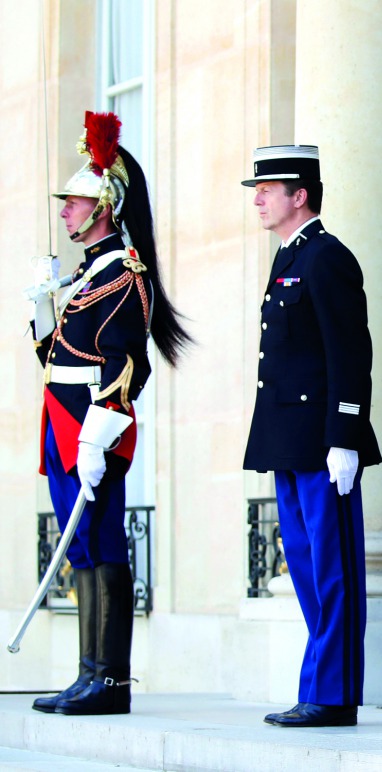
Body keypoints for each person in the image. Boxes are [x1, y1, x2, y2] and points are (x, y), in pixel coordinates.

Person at [28, 111, 191, 716]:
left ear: (103, 208)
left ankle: (111, 680)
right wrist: (45, 309)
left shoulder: (125, 275)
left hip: (93, 430)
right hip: (62, 424)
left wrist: (98, 436)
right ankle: (87, 672)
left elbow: (126, 366)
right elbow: (58, 358)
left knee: (102, 544)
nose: (65, 212)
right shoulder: (87, 275)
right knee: (81, 549)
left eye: (74, 203)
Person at [241, 145, 382, 728]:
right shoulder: (286, 258)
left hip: (324, 444)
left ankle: (331, 693)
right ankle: (320, 688)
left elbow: (350, 353)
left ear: (300, 195)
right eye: (257, 189)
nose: (258, 197)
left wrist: (345, 434)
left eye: (268, 188)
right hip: (289, 440)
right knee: (304, 565)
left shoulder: (327, 258)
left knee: (332, 569)